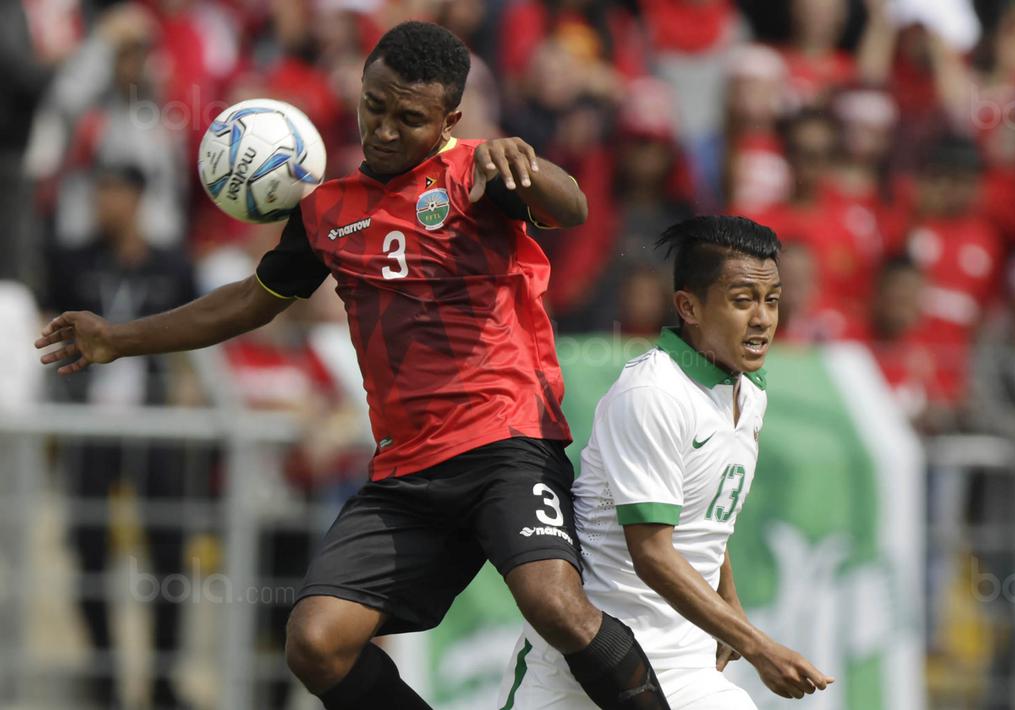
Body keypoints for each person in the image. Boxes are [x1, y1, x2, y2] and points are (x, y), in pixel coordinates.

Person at [35, 21, 672, 710]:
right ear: (359, 90)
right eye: (374, 107)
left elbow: (570, 208)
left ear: (449, 118)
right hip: (405, 473)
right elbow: (248, 302)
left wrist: (528, 163)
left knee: (554, 603)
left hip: (505, 445)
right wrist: (119, 339)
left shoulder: (477, 174)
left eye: (410, 118)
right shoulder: (326, 212)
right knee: (315, 641)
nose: (386, 129)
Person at [498, 216, 835, 708]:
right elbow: (652, 554)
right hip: (589, 667)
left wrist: (731, 606)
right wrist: (756, 644)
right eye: (743, 300)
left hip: (684, 666)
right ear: (688, 306)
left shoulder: (749, 392)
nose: (762, 318)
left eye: (772, 300)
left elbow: (706, 520)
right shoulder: (653, 393)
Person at [44, 162, 199, 710]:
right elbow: (46, 333)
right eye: (97, 189)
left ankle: (161, 681)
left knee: (169, 554)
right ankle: (105, 678)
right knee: (89, 549)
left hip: (155, 428)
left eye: (113, 191)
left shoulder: (172, 264)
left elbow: (193, 344)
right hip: (90, 427)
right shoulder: (71, 260)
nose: (102, 202)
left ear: (137, 199)